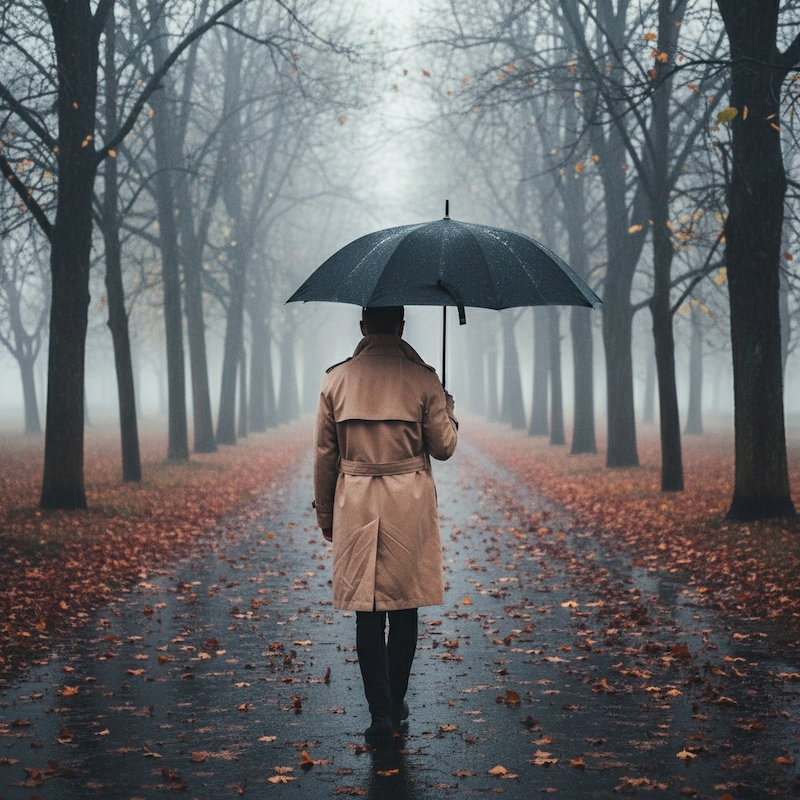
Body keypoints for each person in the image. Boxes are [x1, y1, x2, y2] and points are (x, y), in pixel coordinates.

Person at [313, 305, 458, 739]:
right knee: (405, 606)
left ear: (362, 327)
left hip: (355, 501)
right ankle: (395, 703)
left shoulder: (336, 380)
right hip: (407, 503)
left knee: (367, 611)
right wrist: (447, 409)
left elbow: (325, 456)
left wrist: (325, 515)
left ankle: (380, 716)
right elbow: (445, 448)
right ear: (400, 326)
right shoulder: (423, 378)